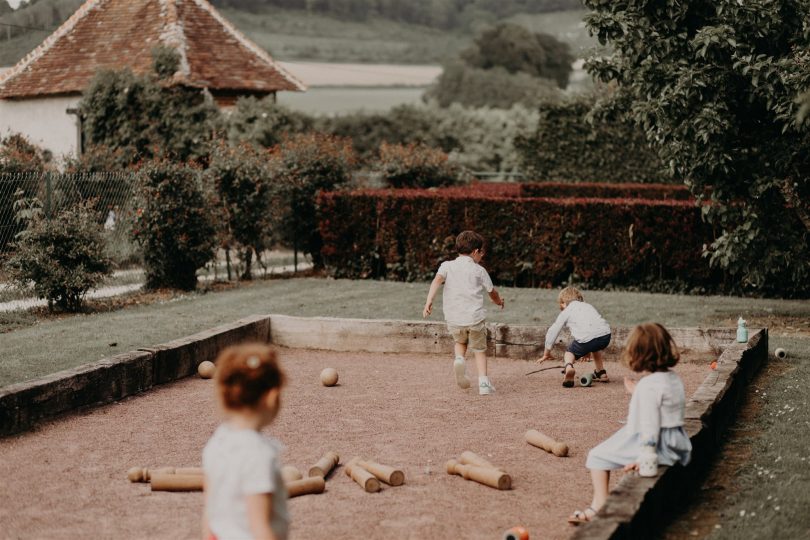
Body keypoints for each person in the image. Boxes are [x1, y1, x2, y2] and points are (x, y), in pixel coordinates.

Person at [567, 323, 692, 525]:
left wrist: (646, 457)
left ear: (638, 355)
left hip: (658, 444)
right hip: (676, 440)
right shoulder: (672, 378)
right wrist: (637, 392)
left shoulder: (648, 386)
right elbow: (663, 405)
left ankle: (598, 507)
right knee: (607, 450)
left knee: (596, 456)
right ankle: (598, 506)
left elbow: (650, 427)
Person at [202, 344, 288, 540]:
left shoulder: (216, 443)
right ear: (272, 397)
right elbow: (259, 528)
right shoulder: (259, 455)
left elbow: (209, 514)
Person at [423, 230, 505, 395]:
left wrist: (429, 300)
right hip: (474, 318)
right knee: (480, 349)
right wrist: (498, 301)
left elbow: (436, 281)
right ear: (475, 252)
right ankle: (483, 383)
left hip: (454, 318)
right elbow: (492, 291)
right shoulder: (479, 270)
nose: (482, 256)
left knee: (460, 342)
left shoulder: (447, 266)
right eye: (482, 252)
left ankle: (459, 359)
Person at [537, 286, 611, 387]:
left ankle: (569, 368)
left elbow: (553, 331)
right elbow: (592, 329)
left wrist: (547, 352)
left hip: (587, 339)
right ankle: (601, 373)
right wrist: (587, 350)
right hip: (605, 335)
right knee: (595, 347)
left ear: (563, 302)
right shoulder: (588, 306)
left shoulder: (566, 311)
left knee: (569, 353)